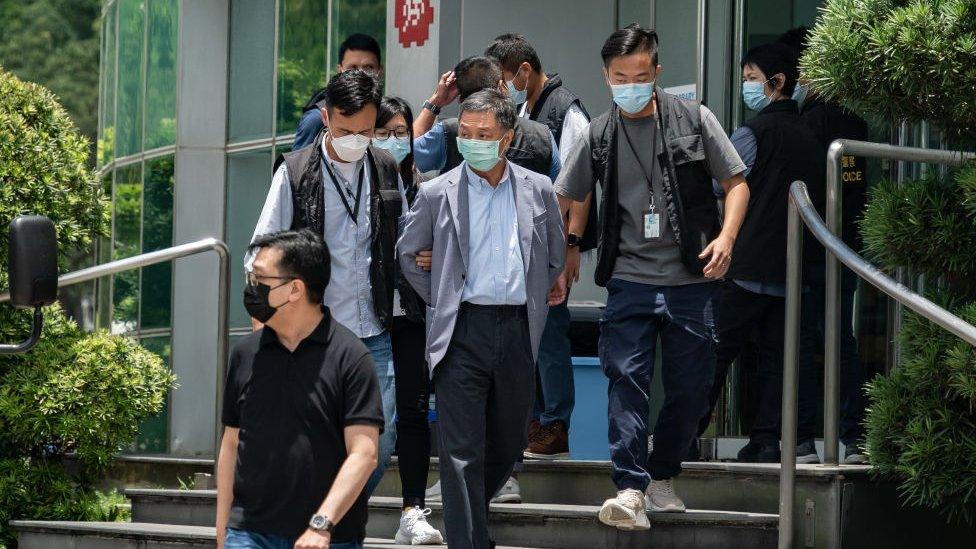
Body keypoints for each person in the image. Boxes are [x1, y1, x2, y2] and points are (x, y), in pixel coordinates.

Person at [554, 24, 749, 531]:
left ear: (657, 71)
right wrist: (561, 253)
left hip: (691, 277)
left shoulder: (693, 118)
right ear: (607, 76)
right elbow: (565, 196)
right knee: (627, 382)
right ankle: (630, 486)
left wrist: (726, 238)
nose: (631, 84)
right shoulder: (598, 133)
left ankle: (662, 474)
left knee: (692, 388)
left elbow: (736, 183)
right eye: (621, 77)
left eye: (641, 75)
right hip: (629, 281)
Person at [398, 89, 567, 549]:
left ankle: (471, 522)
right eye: (466, 134)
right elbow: (409, 254)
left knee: (510, 442)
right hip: (461, 329)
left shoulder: (539, 188)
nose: (473, 141)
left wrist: (540, 285)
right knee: (459, 452)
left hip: (517, 327)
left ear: (507, 138)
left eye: (484, 135)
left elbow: (554, 255)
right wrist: (444, 294)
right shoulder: (437, 193)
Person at [246, 69, 401, 498]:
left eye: (366, 131)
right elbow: (260, 254)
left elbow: (403, 234)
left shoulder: (386, 167)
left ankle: (335, 515)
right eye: (346, 129)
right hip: (313, 333)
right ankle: (324, 518)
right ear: (326, 117)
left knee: (380, 441)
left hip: (374, 329)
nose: (356, 139)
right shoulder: (295, 172)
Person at [695, 41, 826, 464]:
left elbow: (722, 184)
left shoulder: (752, 133)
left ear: (777, 82)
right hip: (791, 271)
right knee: (778, 363)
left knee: (712, 354)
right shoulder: (814, 138)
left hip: (746, 264)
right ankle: (768, 441)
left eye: (752, 78)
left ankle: (685, 435)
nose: (746, 86)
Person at [218, 229, 383, 549]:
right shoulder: (245, 354)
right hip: (249, 533)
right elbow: (231, 444)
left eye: (260, 280)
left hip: (330, 538)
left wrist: (322, 524)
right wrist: (223, 530)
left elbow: (364, 454)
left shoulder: (351, 357)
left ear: (294, 289)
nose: (252, 288)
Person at [485, 33, 593, 460]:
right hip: (524, 253)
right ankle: (532, 423)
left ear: (523, 71)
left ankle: (554, 426)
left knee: (550, 337)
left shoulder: (566, 111)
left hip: (552, 248)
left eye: (503, 80)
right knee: (526, 341)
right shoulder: (526, 109)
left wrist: (570, 247)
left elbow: (578, 186)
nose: (500, 89)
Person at [780, 27, 870, 465]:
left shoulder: (809, 122)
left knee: (806, 342)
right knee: (837, 340)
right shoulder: (853, 121)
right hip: (843, 248)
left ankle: (806, 438)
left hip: (810, 252)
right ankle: (851, 436)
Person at [373, 96, 444, 544]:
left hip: (414, 313)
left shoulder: (427, 187)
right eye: (384, 133)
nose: (394, 141)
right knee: (370, 415)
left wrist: (437, 254)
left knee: (416, 411)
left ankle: (413, 509)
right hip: (369, 314)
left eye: (401, 132)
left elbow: (454, 244)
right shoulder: (360, 183)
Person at [411, 56, 561, 183]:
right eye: (466, 135)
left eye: (483, 135)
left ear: (461, 99)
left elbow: (406, 156)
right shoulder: (543, 135)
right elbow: (559, 194)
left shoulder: (448, 132)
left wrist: (435, 102)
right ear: (502, 87)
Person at [294, 33, 385, 151]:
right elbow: (298, 165)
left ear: (380, 71)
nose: (360, 74)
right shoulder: (316, 119)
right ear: (340, 70)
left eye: (368, 68)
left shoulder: (385, 111)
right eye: (353, 68)